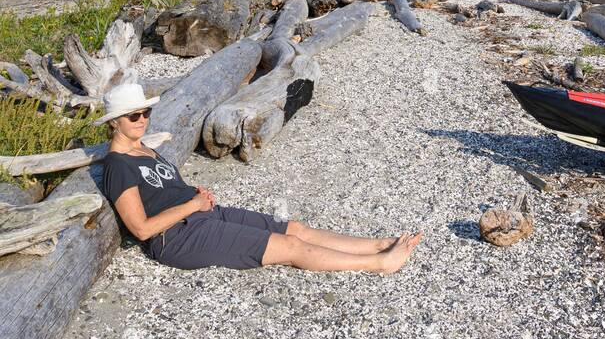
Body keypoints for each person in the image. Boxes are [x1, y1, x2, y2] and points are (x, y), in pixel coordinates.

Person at [99, 80, 422, 274]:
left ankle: (377, 245)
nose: (142, 120)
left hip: (200, 215)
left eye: (146, 113)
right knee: (290, 246)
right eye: (133, 116)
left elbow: (164, 190)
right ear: (115, 122)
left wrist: (194, 195)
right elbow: (141, 229)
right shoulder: (118, 165)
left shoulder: (145, 150)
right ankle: (379, 264)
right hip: (177, 238)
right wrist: (191, 205)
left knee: (294, 227)